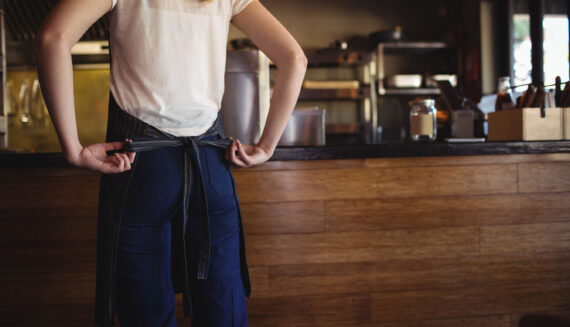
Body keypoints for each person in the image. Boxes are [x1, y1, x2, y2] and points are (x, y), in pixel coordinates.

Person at [35, 0, 307, 326]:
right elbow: (294, 58)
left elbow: (52, 38)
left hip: (141, 168)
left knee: (146, 314)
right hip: (210, 166)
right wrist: (266, 146)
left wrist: (74, 148)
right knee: (222, 312)